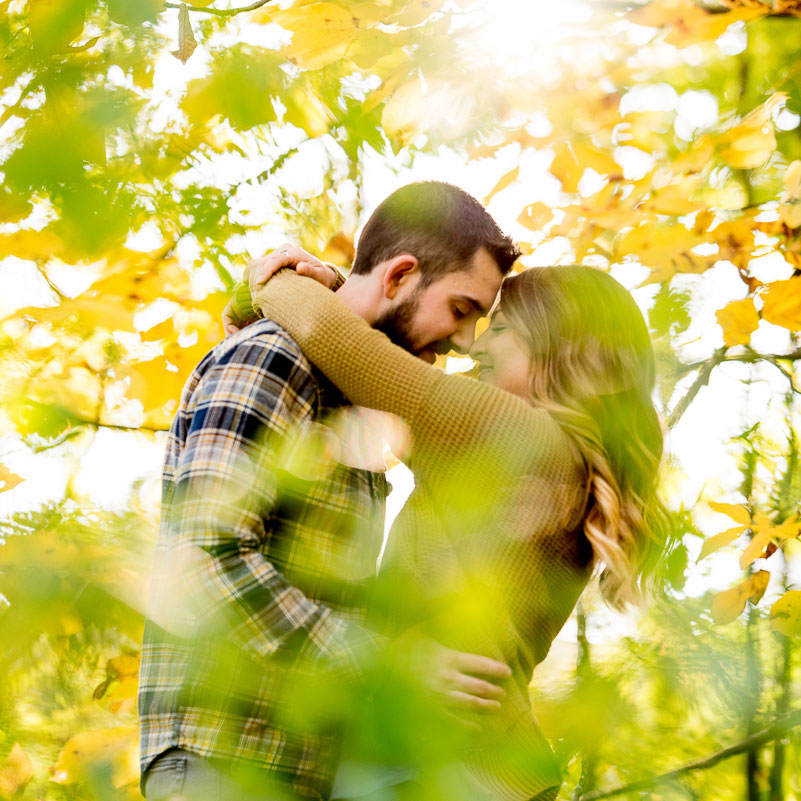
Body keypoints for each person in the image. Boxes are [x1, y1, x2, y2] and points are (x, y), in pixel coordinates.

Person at [137, 182, 523, 801]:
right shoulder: (273, 356)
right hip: (225, 755)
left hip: (295, 768)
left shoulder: (346, 391)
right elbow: (207, 560)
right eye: (461, 309)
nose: (464, 340)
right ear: (400, 274)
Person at [230, 260, 668, 801]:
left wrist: (273, 276)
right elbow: (377, 374)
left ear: (566, 352)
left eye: (501, 329)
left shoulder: (508, 432)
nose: (476, 349)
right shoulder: (558, 459)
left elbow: (336, 340)